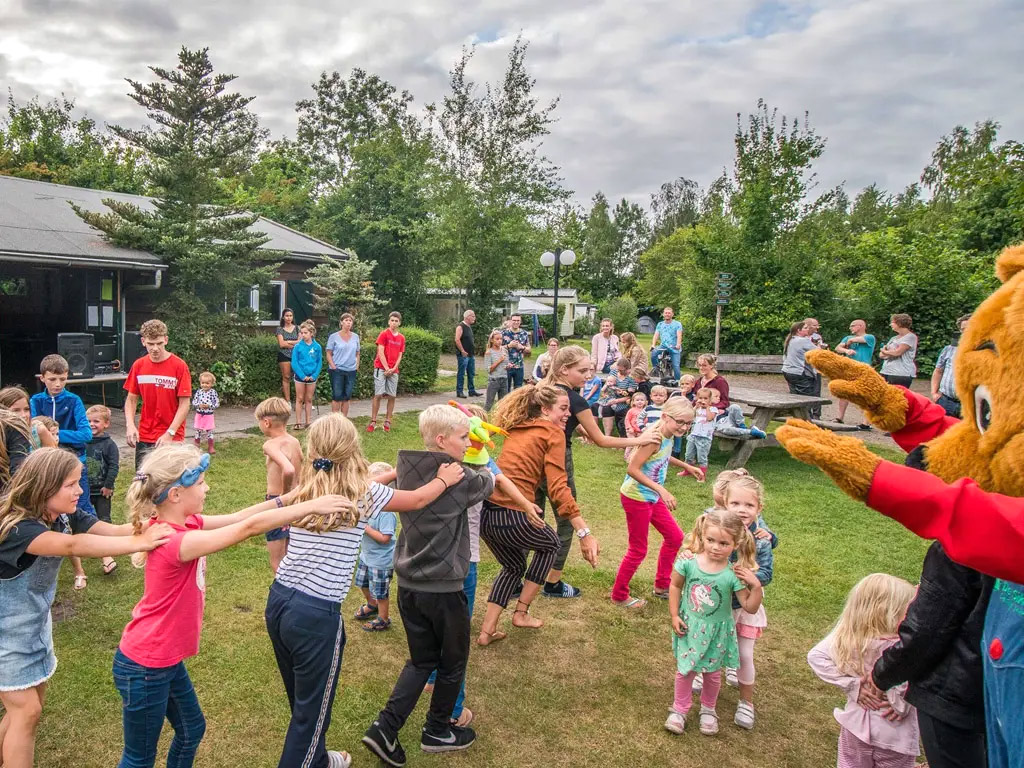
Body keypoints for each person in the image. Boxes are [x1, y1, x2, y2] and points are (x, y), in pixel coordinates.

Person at [115, 444, 354, 768]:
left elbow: (242, 516)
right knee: (139, 758)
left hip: (162, 660)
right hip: (146, 664)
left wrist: (290, 498)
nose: (207, 487)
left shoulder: (189, 524)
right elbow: (247, 529)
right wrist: (310, 505)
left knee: (191, 729)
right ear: (174, 495)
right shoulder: (174, 541)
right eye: (200, 483)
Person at [267, 415, 461, 768]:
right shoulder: (366, 494)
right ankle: (310, 759)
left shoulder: (310, 485)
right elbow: (418, 499)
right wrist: (444, 480)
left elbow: (370, 483)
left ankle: (321, 759)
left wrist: (389, 475)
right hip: (315, 615)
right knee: (310, 717)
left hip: (280, 600)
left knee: (304, 701)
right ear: (353, 447)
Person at [0, 448, 173, 768]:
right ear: (44, 485)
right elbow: (72, 546)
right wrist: (140, 543)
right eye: (71, 484)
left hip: (33, 629)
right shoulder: (19, 529)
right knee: (26, 711)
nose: (80, 491)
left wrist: (149, 526)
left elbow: (109, 529)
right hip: (6, 635)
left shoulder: (63, 516)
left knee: (29, 709)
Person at [361, 407, 494, 766]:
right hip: (444, 589)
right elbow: (490, 482)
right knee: (453, 663)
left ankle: (384, 728)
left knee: (421, 661)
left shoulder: (407, 466)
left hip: (408, 585)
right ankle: (438, 729)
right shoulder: (461, 478)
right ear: (442, 440)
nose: (469, 443)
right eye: (464, 437)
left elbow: (379, 482)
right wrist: (483, 451)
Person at [477, 385, 597, 641]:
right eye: (563, 409)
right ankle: (521, 612)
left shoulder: (520, 425)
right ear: (545, 409)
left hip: (487, 515)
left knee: (513, 566)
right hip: (512, 514)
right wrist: (584, 532)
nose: (568, 414)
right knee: (551, 545)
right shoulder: (553, 432)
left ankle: (487, 631)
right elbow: (558, 488)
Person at [538, 346, 658, 598]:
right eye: (582, 370)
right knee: (567, 520)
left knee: (532, 516)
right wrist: (640, 440)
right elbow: (603, 440)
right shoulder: (575, 399)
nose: (588, 375)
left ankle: (518, 579)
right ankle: (552, 582)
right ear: (564, 370)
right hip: (558, 460)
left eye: (590, 369)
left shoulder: (541, 391)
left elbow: (556, 423)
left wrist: (577, 429)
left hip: (532, 458)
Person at [665, 508, 763, 736]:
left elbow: (749, 606)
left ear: (735, 544)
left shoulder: (733, 574)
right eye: (710, 540)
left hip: (718, 633)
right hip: (689, 628)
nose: (716, 547)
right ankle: (679, 709)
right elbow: (675, 586)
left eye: (723, 543)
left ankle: (709, 710)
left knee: (712, 674)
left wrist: (755, 586)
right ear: (702, 537)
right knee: (685, 670)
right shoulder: (687, 563)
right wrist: (674, 614)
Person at [807, 574, 920, 768]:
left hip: (855, 727)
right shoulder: (904, 648)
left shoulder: (848, 638)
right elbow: (907, 690)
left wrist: (853, 686)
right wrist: (901, 703)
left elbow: (816, 657)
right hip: (895, 735)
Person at [613, 398, 700, 609]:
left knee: (675, 537)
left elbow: (663, 457)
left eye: (688, 423)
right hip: (637, 497)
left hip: (651, 496)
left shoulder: (668, 435)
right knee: (638, 549)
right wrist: (661, 489)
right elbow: (632, 469)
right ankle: (619, 594)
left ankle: (662, 585)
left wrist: (686, 466)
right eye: (680, 421)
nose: (684, 427)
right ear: (664, 417)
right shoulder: (654, 438)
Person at [723, 474, 775, 729]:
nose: (742, 510)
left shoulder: (761, 538)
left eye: (749, 505)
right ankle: (701, 678)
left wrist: (750, 578)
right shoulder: (718, 528)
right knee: (713, 644)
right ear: (725, 503)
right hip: (720, 604)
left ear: (759, 508)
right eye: (736, 504)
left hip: (746, 606)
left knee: (744, 653)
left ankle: (746, 702)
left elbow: (767, 573)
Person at [30, 354, 95, 517]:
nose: (58, 384)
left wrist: (55, 434)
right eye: (52, 379)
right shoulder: (36, 401)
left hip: (74, 460)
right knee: (46, 505)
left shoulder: (73, 400)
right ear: (42, 378)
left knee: (82, 507)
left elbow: (86, 434)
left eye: (62, 379)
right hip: (47, 463)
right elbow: (31, 431)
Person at [124, 319, 192, 471]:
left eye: (159, 343)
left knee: (169, 484)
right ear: (143, 342)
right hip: (145, 435)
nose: (155, 348)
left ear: (166, 340)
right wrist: (130, 425)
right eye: (150, 344)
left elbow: (185, 404)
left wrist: (170, 433)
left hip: (172, 437)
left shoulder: (179, 366)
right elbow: (131, 399)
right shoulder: (139, 365)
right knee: (143, 482)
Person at [255, 397, 303, 575]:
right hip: (297, 500)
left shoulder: (270, 445)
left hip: (278, 501)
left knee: (277, 562)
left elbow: (288, 470)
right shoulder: (294, 442)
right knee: (291, 555)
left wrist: (283, 495)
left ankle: (283, 596)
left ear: (266, 422)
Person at [353, 482, 399, 632]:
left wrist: (364, 527)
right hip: (366, 556)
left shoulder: (386, 513)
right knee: (362, 583)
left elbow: (385, 538)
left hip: (381, 561)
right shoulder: (367, 506)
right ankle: (372, 604)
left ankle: (383, 619)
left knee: (380, 592)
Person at [693, 354, 768, 438]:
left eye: (704, 365)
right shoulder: (698, 382)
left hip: (719, 415)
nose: (701, 368)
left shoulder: (720, 381)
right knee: (726, 430)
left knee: (735, 407)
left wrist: (714, 408)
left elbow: (725, 402)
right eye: (699, 365)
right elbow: (695, 399)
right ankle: (751, 431)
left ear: (711, 366)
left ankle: (742, 427)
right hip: (704, 416)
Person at [85, 404, 120, 575]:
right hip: (83, 490)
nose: (91, 424)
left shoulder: (109, 445)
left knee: (103, 519)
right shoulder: (81, 442)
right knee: (85, 519)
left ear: (106, 424)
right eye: (88, 421)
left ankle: (108, 552)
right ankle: (88, 545)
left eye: (96, 421)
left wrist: (108, 485)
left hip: (102, 491)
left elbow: (114, 466)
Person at [834, 319, 877, 428]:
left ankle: (866, 422)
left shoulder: (869, 337)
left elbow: (860, 340)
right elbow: (838, 348)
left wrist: (850, 342)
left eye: (852, 326)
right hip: (848, 369)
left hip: (863, 370)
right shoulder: (847, 337)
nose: (850, 328)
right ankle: (840, 418)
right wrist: (846, 351)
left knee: (864, 395)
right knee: (844, 393)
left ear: (861, 326)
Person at [368, 311, 406, 433]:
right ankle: (373, 420)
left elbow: (400, 354)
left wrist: (394, 368)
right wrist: (386, 368)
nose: (394, 323)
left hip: (393, 370)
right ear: (388, 321)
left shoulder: (401, 338)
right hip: (381, 368)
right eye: (392, 320)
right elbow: (380, 351)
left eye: (396, 321)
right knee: (378, 394)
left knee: (392, 395)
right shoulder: (383, 334)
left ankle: (387, 421)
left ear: (399, 323)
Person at [930, 314, 971, 418]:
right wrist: (934, 393)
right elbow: (938, 371)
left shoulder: (986, 351)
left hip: (969, 405)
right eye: (963, 329)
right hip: (945, 401)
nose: (966, 332)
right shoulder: (949, 349)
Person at [781, 323, 822, 419]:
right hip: (799, 372)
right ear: (799, 330)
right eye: (805, 328)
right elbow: (818, 351)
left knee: (795, 398)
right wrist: (820, 345)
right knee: (806, 400)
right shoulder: (802, 341)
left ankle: (797, 420)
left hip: (787, 371)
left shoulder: (790, 339)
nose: (808, 329)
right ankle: (808, 422)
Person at [291, 320, 323, 431]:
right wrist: (302, 375)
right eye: (302, 333)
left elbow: (319, 362)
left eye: (305, 333)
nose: (303, 335)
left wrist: (314, 375)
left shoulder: (317, 347)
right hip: (300, 377)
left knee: (309, 399)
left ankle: (308, 421)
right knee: (299, 398)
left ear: (311, 333)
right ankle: (298, 422)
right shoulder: (297, 347)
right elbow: (294, 362)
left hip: (312, 377)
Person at [680, 388, 719, 480]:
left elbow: (709, 418)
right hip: (694, 435)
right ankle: (687, 470)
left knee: (702, 457)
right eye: (700, 398)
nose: (703, 400)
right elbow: (690, 416)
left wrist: (708, 407)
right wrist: (695, 407)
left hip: (704, 437)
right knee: (688, 455)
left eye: (705, 398)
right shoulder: (698, 408)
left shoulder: (713, 409)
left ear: (710, 399)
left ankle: (702, 475)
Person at [326, 313, 360, 417]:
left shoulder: (355, 337)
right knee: (337, 396)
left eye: (350, 320)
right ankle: (335, 420)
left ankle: (344, 420)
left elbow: (357, 353)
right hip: (337, 370)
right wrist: (333, 366)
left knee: (347, 396)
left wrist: (356, 365)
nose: (348, 322)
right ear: (341, 322)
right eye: (346, 320)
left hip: (351, 370)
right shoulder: (333, 337)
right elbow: (328, 353)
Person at [599, 357, 636, 437]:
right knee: (606, 408)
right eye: (618, 369)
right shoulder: (614, 372)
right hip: (611, 397)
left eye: (621, 370)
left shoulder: (631, 378)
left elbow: (630, 396)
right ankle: (607, 436)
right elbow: (607, 383)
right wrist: (604, 391)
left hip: (623, 401)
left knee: (620, 411)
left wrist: (617, 400)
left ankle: (622, 436)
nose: (619, 371)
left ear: (627, 369)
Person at [879, 313, 918, 387]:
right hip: (886, 371)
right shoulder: (893, 338)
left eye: (892, 322)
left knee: (898, 397)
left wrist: (884, 351)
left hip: (901, 374)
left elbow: (897, 352)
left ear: (899, 323)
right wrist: (887, 353)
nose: (890, 325)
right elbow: (881, 355)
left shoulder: (910, 337)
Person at [190, 371, 220, 454]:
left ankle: (211, 447)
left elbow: (217, 404)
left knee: (209, 431)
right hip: (199, 414)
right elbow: (193, 402)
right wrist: (198, 405)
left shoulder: (213, 393)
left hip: (209, 415)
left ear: (212, 384)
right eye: (203, 383)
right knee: (198, 430)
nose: (205, 385)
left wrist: (209, 405)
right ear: (200, 383)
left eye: (207, 383)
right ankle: (196, 445)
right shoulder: (199, 392)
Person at [650, 307, 683, 381]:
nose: (667, 314)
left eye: (669, 313)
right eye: (666, 313)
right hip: (663, 345)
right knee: (654, 353)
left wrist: (678, 344)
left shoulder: (677, 324)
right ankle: (656, 369)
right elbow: (656, 335)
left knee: (676, 366)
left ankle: (678, 381)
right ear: (663, 314)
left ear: (672, 314)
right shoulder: (660, 324)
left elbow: (679, 335)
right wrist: (653, 345)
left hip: (674, 346)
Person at [500, 314, 531, 391]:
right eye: (514, 320)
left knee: (518, 391)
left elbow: (529, 349)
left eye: (518, 320)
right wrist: (509, 345)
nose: (516, 322)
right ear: (510, 321)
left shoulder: (524, 333)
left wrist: (522, 347)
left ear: (520, 322)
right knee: (505, 390)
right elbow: (497, 349)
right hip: (506, 366)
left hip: (519, 366)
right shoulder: (504, 333)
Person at [276, 308, 300, 406]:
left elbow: (300, 342)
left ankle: (300, 400)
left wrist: (289, 342)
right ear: (283, 317)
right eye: (287, 316)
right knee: (286, 377)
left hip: (296, 355)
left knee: (299, 377)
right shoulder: (280, 329)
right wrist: (294, 343)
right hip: (284, 355)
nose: (289, 318)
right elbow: (281, 344)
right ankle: (288, 401)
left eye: (290, 315)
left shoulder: (298, 328)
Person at [454, 309, 480, 399]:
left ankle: (471, 390)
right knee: (461, 373)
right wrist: (462, 350)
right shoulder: (460, 327)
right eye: (473, 316)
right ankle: (459, 391)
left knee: (471, 373)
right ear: (467, 317)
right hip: (463, 355)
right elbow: (457, 339)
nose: (474, 318)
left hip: (471, 354)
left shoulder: (469, 327)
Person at [483, 330, 509, 410]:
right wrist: (499, 360)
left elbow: (505, 364)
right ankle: (481, 419)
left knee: (503, 404)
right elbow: (489, 370)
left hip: (504, 379)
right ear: (492, 340)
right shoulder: (489, 352)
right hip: (494, 381)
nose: (499, 341)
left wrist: (509, 366)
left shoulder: (504, 350)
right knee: (489, 404)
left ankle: (500, 421)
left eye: (501, 339)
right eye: (497, 339)